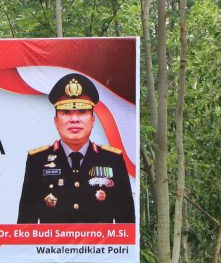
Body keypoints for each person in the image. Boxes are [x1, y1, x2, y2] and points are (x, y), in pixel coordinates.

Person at [18, 73, 135, 224]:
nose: (74, 119)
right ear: (56, 121)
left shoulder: (112, 160)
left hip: (100, 248)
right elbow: (26, 223)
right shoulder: (38, 160)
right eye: (66, 112)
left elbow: (126, 222)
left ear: (93, 120)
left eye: (82, 112)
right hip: (51, 247)